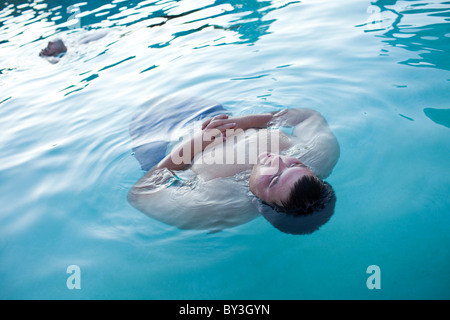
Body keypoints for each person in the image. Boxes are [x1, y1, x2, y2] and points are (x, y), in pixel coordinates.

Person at [127, 96, 340, 234]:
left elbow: (141, 193)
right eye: (295, 164)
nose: (276, 160)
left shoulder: (218, 204)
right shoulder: (320, 156)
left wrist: (200, 141)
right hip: (211, 112)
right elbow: (306, 117)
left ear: (260, 204)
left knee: (140, 108)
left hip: (161, 143)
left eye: (274, 179)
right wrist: (246, 122)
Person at [39, 30, 108, 63]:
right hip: (107, 34)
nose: (49, 43)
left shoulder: (71, 45)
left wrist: (44, 55)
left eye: (49, 45)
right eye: (48, 49)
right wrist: (45, 56)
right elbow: (54, 61)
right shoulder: (70, 52)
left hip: (77, 43)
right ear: (56, 53)